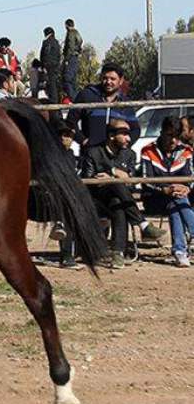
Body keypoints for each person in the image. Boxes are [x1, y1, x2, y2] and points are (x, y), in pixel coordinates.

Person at [81, 119, 166, 270]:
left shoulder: (129, 154)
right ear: (111, 136)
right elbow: (89, 181)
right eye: (124, 134)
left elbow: (131, 181)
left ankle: (118, 253)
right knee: (116, 185)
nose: (129, 138)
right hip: (96, 199)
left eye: (129, 134)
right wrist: (116, 176)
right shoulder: (94, 152)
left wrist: (111, 174)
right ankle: (142, 224)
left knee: (117, 204)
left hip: (118, 199)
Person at [140, 117, 194, 267]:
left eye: (177, 136)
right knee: (176, 201)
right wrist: (164, 189)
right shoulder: (148, 151)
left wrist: (186, 187)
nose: (173, 141)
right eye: (170, 135)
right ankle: (183, 246)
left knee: (175, 204)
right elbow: (146, 181)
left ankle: (179, 251)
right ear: (162, 132)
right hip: (155, 198)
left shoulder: (186, 151)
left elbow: (190, 177)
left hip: (179, 198)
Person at [66, 63, 140, 151]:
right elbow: (70, 122)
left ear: (121, 80)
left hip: (116, 157)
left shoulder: (125, 103)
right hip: (91, 155)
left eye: (112, 79)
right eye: (105, 78)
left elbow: (135, 129)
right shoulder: (87, 95)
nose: (108, 82)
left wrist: (125, 146)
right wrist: (83, 140)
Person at [50, 123, 80, 268]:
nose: (66, 139)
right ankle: (67, 256)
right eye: (63, 135)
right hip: (49, 195)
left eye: (69, 136)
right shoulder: (48, 154)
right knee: (67, 206)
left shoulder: (71, 155)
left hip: (68, 195)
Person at [62, 19, 83, 102]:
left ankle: (73, 98)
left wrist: (66, 59)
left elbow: (70, 46)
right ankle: (77, 98)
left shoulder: (70, 33)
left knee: (67, 79)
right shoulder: (77, 32)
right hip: (76, 57)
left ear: (66, 25)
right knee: (74, 80)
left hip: (70, 57)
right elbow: (80, 41)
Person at [40, 27, 62, 105]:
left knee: (51, 86)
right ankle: (57, 101)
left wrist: (43, 66)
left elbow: (44, 55)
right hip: (56, 66)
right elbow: (59, 56)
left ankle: (53, 102)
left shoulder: (46, 42)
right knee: (55, 85)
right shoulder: (56, 42)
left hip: (49, 66)